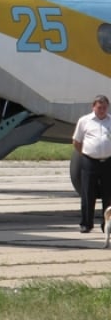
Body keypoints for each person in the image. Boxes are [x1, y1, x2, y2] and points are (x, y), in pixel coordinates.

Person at [72, 94, 111, 233]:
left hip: (108, 162)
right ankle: (86, 223)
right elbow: (76, 141)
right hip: (90, 161)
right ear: (93, 107)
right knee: (88, 193)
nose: (102, 110)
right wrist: (85, 154)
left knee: (109, 194)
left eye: (105, 107)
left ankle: (106, 225)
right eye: (99, 107)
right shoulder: (84, 121)